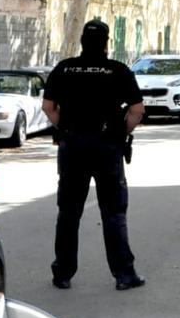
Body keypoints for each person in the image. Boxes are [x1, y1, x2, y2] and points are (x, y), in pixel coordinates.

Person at [43, 20, 146, 291]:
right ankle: (124, 274)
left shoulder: (64, 68)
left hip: (72, 147)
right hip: (107, 147)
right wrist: (120, 132)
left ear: (81, 42)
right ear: (107, 42)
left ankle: (62, 273)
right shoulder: (118, 71)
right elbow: (137, 110)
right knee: (113, 212)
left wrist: (64, 128)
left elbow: (48, 107)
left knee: (68, 212)